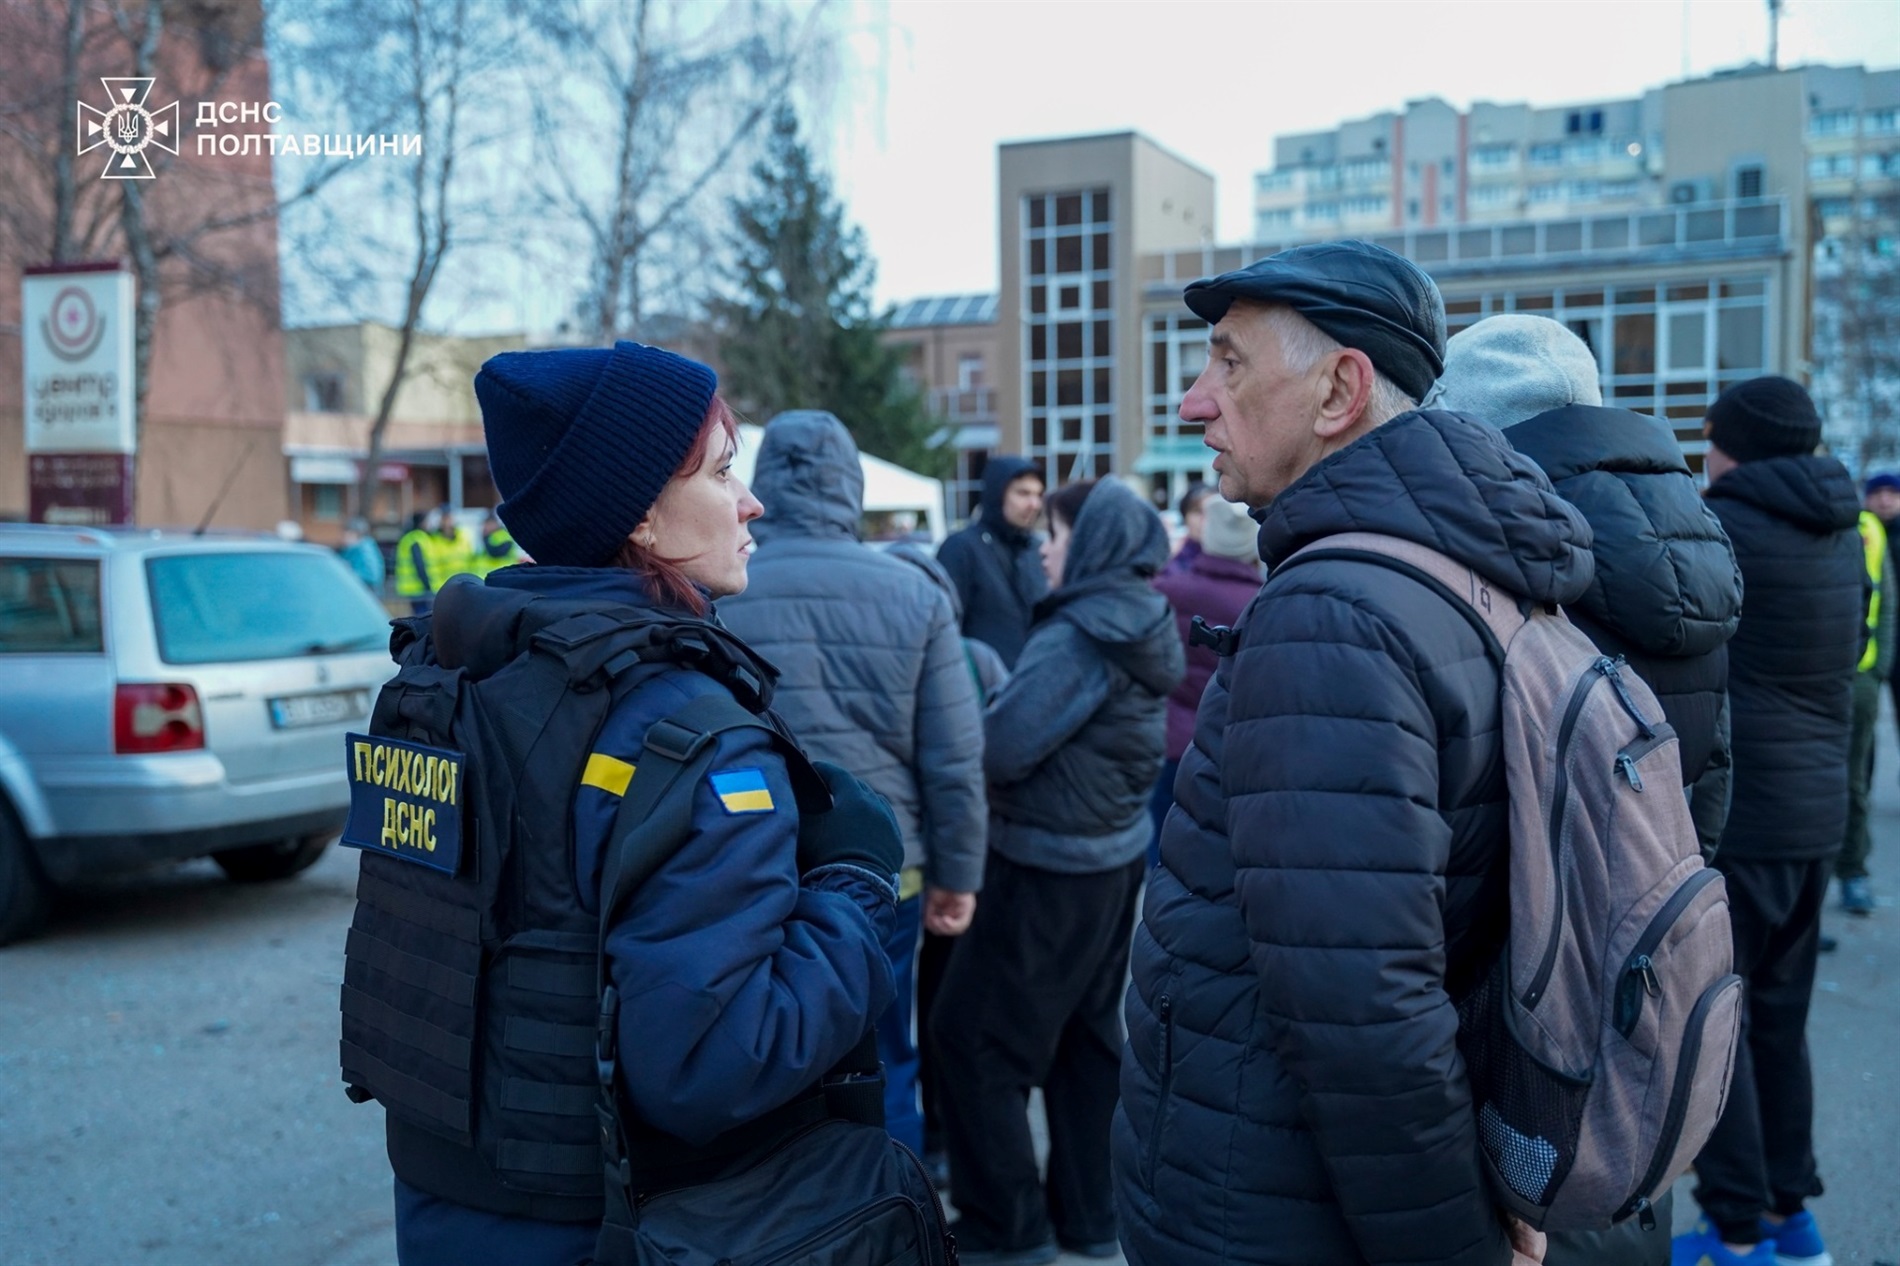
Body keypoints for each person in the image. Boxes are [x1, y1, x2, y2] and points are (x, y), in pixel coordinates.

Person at [355, 342, 902, 1266]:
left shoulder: (450, 679)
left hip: (451, 1212)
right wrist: (854, 886)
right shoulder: (686, 729)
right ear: (643, 514)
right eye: (725, 472)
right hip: (614, 1229)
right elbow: (713, 1062)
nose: (752, 500)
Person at [1115, 241, 1591, 1266]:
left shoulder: (1330, 610)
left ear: (1341, 390)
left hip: (1266, 1203)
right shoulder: (1449, 566)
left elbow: (1361, 1013)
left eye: (1229, 364)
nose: (1194, 403)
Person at [1426, 314, 1745, 1266]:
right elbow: (1712, 768)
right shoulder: (1692, 530)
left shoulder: (1514, 531)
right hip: (1650, 932)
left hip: (1526, 974)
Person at [718, 409, 988, 1159]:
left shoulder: (718, 585)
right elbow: (953, 759)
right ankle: (887, 1209)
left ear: (764, 484)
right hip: (881, 872)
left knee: (759, 1053)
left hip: (748, 861)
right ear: (853, 487)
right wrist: (958, 875)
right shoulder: (914, 593)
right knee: (882, 1049)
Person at [932, 477, 1183, 1266]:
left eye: (1059, 534)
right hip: (1108, 862)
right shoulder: (1139, 617)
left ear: (1095, 547)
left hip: (1047, 865)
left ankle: (1006, 1229)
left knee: (971, 1045)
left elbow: (1003, 749)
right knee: (1083, 1046)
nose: (1045, 546)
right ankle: (1087, 1216)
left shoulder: (1081, 632)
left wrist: (993, 710)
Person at [1673, 376, 1863, 1266]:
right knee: (1780, 1026)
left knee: (1721, 1025)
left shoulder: (1727, 528)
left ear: (1733, 446)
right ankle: (1794, 1220)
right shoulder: (1839, 533)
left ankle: (1737, 1231)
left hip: (1744, 818)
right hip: (1813, 819)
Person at [1146, 495, 1261, 865]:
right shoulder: (1260, 603)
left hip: (1166, 736)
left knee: (1159, 843)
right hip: (1228, 743)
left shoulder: (1167, 590)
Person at [1839, 496, 1896, 916]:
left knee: (1853, 781)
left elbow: (1887, 602)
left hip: (1860, 675)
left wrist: (1879, 670)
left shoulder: (1867, 529)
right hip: (1808, 680)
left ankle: (1853, 871)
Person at [936, 457, 1048, 668]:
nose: (1034, 504)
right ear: (998, 493)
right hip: (981, 684)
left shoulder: (1036, 549)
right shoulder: (962, 548)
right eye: (1023, 493)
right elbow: (944, 626)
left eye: (1038, 494)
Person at [1160, 482, 1216, 576]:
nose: (1204, 519)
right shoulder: (1170, 566)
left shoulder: (1235, 560)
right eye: (1197, 511)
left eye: (1211, 511)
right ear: (1185, 517)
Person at [393, 509, 440, 614]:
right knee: (424, 616)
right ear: (422, 523)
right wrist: (428, 585)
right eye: (427, 521)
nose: (430, 524)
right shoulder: (416, 538)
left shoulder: (413, 537)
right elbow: (420, 564)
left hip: (415, 588)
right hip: (418, 588)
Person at [338, 516, 386, 592]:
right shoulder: (353, 550)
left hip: (365, 594)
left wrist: (346, 575)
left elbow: (371, 575)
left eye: (347, 534)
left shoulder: (364, 551)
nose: (343, 538)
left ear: (357, 535)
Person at [472, 510, 521, 576]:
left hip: (503, 575)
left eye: (488, 524)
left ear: (495, 524)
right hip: (486, 576)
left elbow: (495, 552)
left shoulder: (504, 535)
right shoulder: (485, 537)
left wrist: (485, 538)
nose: (485, 527)